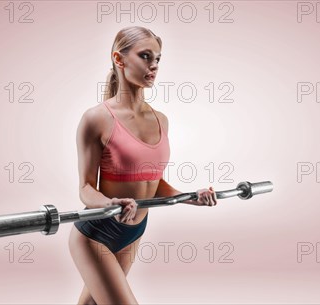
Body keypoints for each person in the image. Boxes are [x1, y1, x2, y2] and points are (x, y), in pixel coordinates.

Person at [68, 26, 218, 305]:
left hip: (133, 230)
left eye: (158, 59)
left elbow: (154, 183)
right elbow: (86, 189)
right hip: (97, 233)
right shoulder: (96, 118)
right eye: (146, 56)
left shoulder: (161, 119)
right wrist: (111, 203)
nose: (154, 65)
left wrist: (190, 198)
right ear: (119, 58)